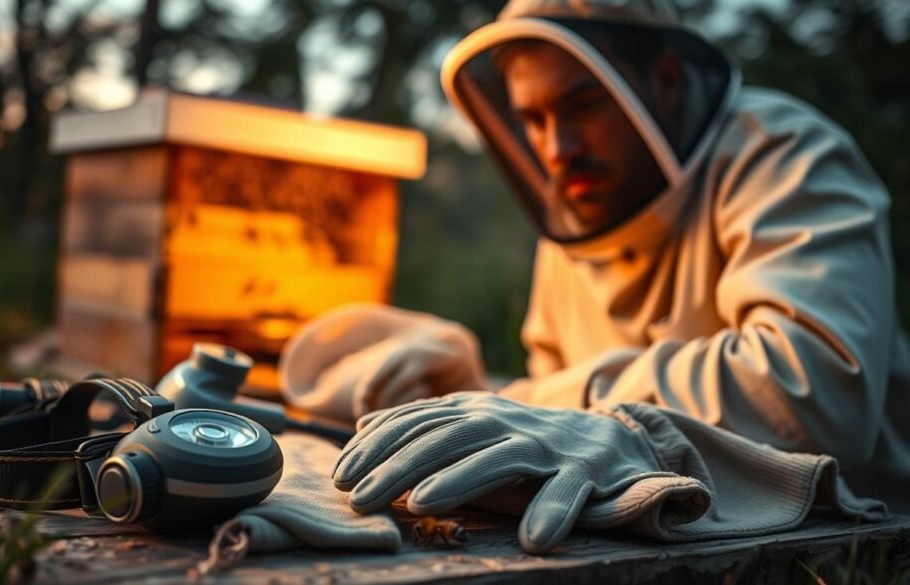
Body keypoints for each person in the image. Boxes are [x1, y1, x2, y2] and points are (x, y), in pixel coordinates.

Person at [304, 0, 910, 553]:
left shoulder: (782, 152)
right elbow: (564, 438)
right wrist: (482, 390)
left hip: (857, 543)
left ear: (665, 79)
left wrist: (538, 401)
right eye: (533, 119)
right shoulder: (574, 222)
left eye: (584, 104)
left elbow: (811, 395)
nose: (557, 148)